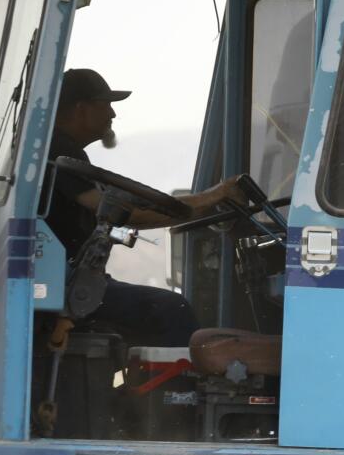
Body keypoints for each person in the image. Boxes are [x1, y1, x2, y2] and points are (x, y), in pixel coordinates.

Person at [45, 68, 243, 349]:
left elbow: (118, 212)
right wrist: (215, 195)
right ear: (81, 108)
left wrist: (200, 203)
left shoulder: (58, 151)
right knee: (172, 311)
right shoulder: (61, 152)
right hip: (69, 287)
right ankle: (177, 392)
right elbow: (124, 214)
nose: (113, 114)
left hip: (70, 280)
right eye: (106, 105)